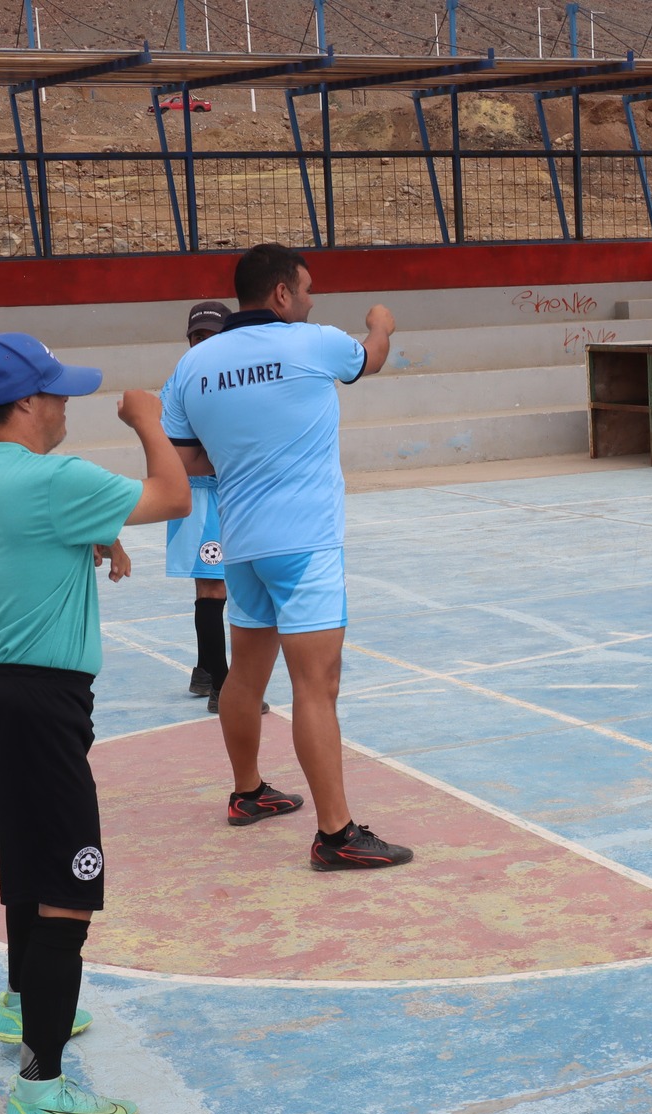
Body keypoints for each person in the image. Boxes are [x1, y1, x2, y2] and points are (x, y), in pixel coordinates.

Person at [0, 333, 190, 1114]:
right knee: (69, 890)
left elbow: (18, 546)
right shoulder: (50, 478)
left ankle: (23, 1003)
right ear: (25, 405)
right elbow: (175, 495)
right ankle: (42, 1083)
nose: (66, 404)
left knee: (27, 860)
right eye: (56, 393)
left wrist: (92, 533)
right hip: (36, 705)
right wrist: (150, 421)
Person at [161, 243, 411, 872]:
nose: (310, 299)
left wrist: (246, 454)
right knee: (316, 686)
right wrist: (381, 321)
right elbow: (372, 358)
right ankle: (337, 834)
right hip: (306, 545)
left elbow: (186, 462)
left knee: (245, 678)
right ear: (280, 294)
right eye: (305, 288)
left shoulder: (193, 367)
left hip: (241, 545)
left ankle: (247, 794)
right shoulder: (313, 342)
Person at [165, 300, 234, 707]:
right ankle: (224, 688)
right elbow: (174, 449)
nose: (204, 343)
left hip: (221, 493)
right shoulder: (181, 382)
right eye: (197, 336)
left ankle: (206, 670)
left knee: (215, 585)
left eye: (214, 335)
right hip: (202, 494)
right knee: (212, 586)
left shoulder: (224, 378)